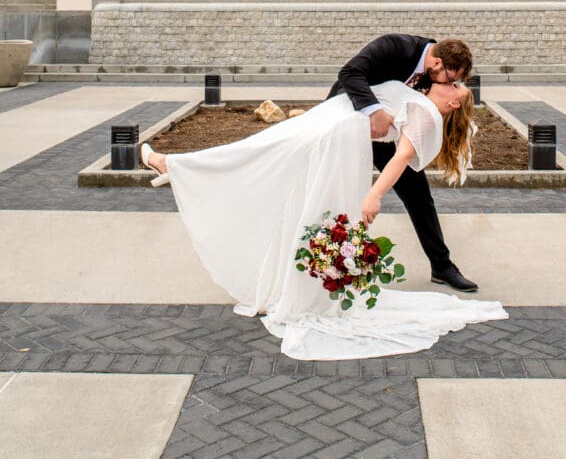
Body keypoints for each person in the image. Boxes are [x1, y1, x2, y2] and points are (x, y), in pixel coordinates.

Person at [141, 79, 506, 361]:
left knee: (262, 154)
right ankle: (183, 169)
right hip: (332, 123)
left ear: (455, 100)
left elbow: (400, 158)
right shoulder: (420, 90)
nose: (449, 80)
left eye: (456, 83)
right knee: (268, 162)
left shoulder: (428, 116)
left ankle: (175, 165)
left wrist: (374, 195)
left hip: (335, 136)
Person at [327, 35, 479, 293]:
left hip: (387, 136)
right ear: (437, 62)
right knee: (332, 189)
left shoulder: (437, 77)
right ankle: (327, 260)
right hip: (350, 123)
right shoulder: (394, 47)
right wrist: (374, 111)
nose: (450, 84)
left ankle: (442, 266)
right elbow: (349, 73)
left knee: (419, 194)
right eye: (450, 79)